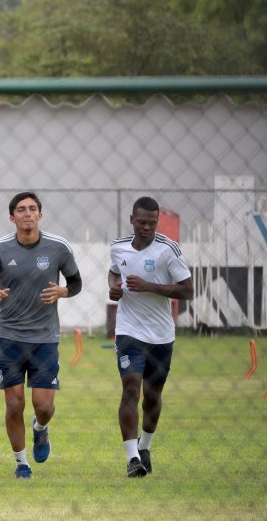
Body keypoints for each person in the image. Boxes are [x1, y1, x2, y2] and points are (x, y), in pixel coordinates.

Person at [0, 191, 82, 479]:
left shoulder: (58, 247)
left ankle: (41, 429)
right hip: (9, 337)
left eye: (32, 208)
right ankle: (22, 463)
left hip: (45, 338)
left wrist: (64, 291)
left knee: (44, 406)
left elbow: (76, 282)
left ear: (40, 215)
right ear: (12, 217)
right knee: (14, 403)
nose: (27, 213)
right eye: (21, 209)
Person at [108, 196, 192, 478]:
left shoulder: (168, 250)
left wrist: (149, 286)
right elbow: (113, 274)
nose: (147, 227)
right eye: (142, 222)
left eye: (152, 223)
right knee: (131, 387)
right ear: (132, 219)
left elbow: (187, 290)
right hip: (129, 331)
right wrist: (114, 288)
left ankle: (145, 446)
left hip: (160, 335)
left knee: (152, 395)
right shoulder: (118, 247)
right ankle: (132, 459)